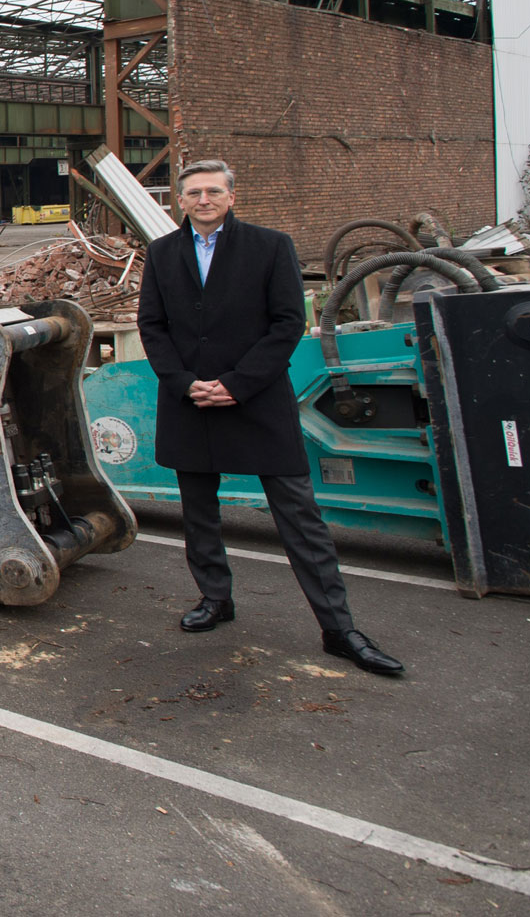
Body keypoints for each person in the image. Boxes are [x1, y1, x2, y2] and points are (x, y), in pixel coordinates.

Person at [137, 160, 404, 676]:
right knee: (199, 513)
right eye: (193, 192)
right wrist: (182, 381)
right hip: (190, 400)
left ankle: (338, 628)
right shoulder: (163, 252)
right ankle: (215, 598)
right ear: (181, 201)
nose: (204, 199)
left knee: (300, 519)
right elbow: (152, 324)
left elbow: (286, 324)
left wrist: (236, 384)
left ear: (232, 197)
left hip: (255, 399)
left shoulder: (270, 246)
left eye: (214, 190)